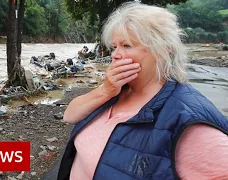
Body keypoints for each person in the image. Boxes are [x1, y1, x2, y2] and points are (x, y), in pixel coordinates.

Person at [57, 2, 228, 180]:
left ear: (162, 49)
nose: (115, 54)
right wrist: (105, 90)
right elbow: (69, 115)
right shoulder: (117, 89)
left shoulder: (189, 120)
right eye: (114, 47)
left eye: (127, 46)